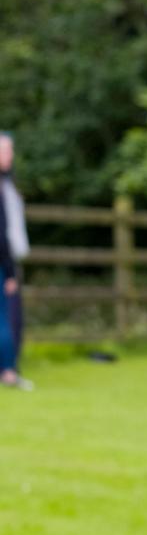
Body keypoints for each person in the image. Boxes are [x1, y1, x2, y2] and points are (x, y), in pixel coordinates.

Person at [0, 132, 32, 391]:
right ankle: (8, 371)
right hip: (3, 261)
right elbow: (2, 233)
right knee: (6, 319)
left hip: (8, 258)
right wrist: (10, 270)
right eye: (5, 150)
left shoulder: (8, 185)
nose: (9, 156)